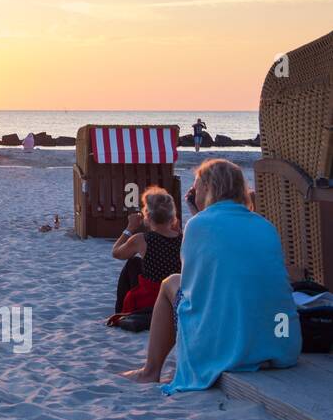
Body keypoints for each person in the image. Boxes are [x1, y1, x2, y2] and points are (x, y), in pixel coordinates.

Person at [121, 159, 302, 390]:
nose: (194, 191)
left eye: (196, 187)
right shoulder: (264, 225)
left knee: (171, 283)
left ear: (208, 188)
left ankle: (150, 371)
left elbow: (193, 292)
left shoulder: (198, 226)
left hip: (235, 349)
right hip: (282, 342)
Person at [107, 187, 181, 324]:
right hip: (174, 295)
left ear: (147, 216)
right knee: (136, 262)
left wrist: (130, 228)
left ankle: (120, 312)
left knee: (132, 263)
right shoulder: (183, 238)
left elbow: (116, 252)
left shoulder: (141, 239)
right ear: (172, 216)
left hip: (150, 299)